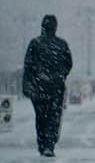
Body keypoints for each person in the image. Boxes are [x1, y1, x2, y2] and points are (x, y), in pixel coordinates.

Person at [22, 15, 73, 158]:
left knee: (41, 117)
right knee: (53, 116)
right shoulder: (61, 44)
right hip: (56, 88)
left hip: (39, 88)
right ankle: (49, 144)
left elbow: (28, 66)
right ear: (55, 27)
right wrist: (60, 76)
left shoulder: (35, 43)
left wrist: (29, 83)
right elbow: (69, 64)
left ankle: (42, 143)